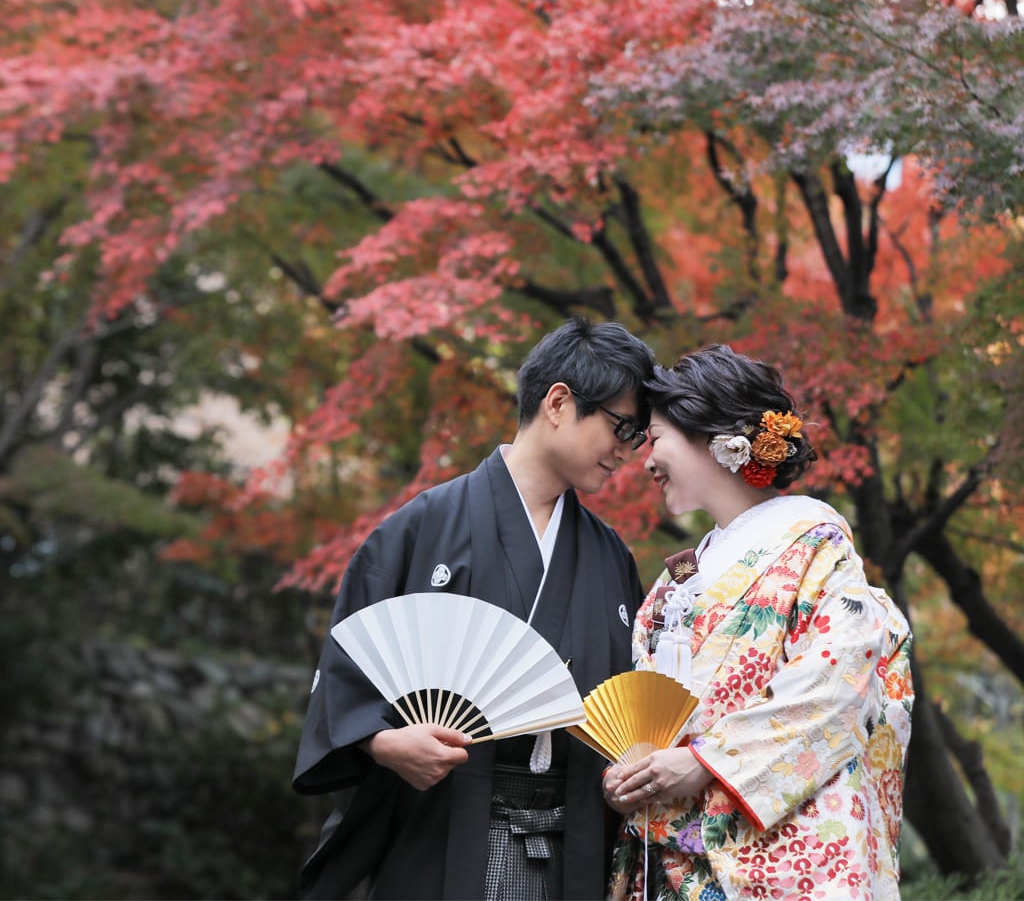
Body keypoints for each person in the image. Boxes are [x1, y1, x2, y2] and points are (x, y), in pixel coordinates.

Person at [293, 317, 656, 901]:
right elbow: (345, 677)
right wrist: (383, 743)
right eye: (621, 427)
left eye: (637, 437)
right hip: (444, 830)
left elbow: (627, 707)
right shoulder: (421, 528)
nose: (626, 451)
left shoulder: (611, 556)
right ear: (558, 403)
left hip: (572, 848)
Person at [603, 344, 914, 901]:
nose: (645, 461)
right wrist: (637, 771)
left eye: (655, 439)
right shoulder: (682, 574)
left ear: (711, 436)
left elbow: (837, 683)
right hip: (675, 853)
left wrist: (705, 762)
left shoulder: (815, 544)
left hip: (783, 841)